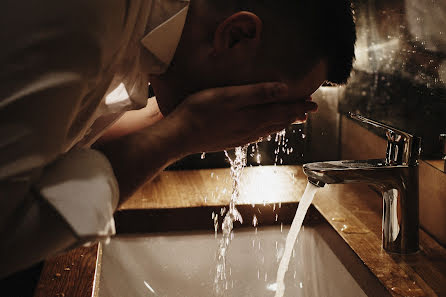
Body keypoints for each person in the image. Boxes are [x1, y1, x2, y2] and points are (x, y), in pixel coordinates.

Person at [0, 0, 356, 277]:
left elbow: (70, 139)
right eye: (269, 99)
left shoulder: (133, 30)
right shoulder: (83, 20)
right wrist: (182, 134)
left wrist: (186, 120)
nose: (264, 118)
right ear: (236, 35)